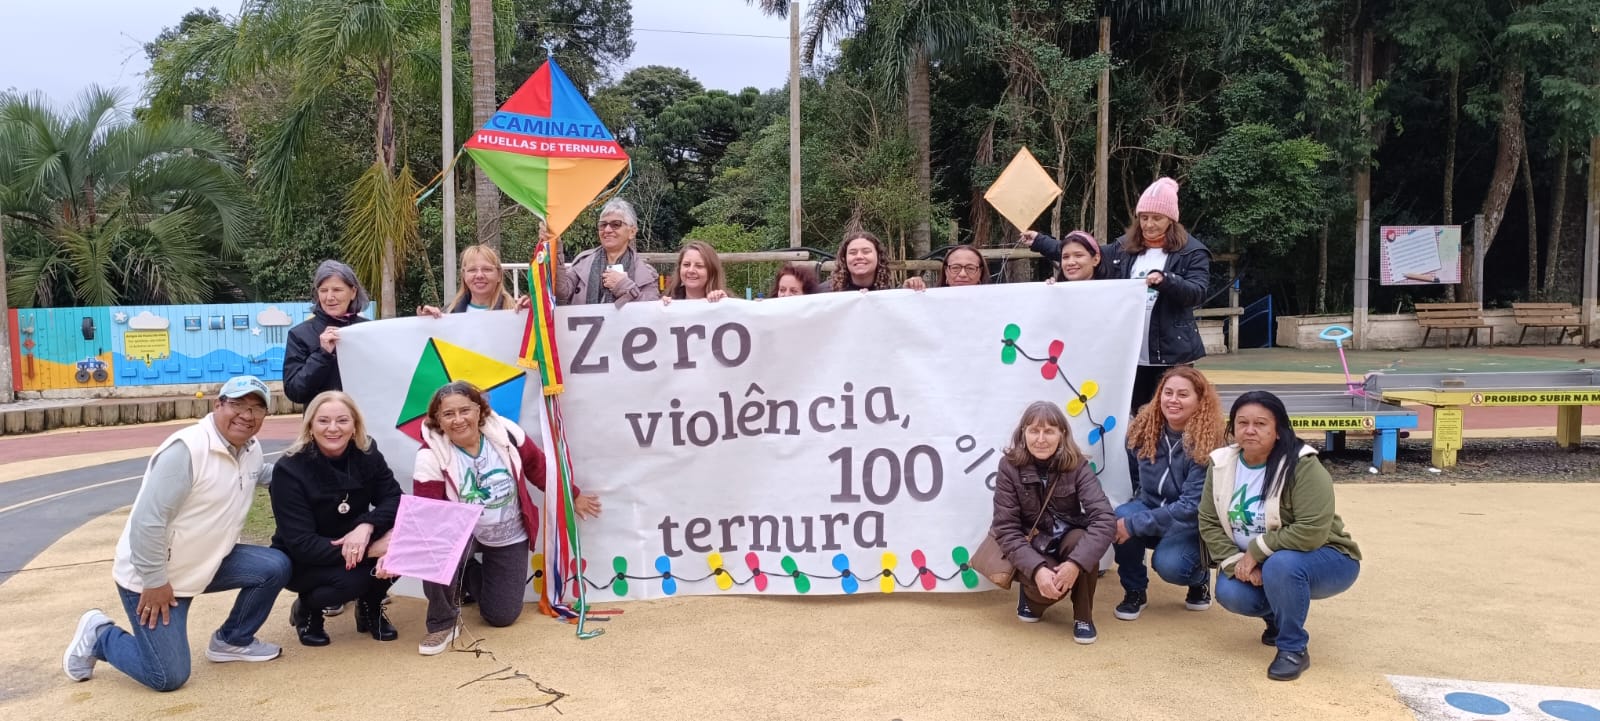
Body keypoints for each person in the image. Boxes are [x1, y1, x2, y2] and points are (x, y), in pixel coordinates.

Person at [63, 376, 291, 692]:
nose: (246, 415)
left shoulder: (249, 448)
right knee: (167, 676)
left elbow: (260, 474)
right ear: (218, 405)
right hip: (156, 577)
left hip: (207, 562)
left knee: (275, 566)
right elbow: (148, 521)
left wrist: (308, 470)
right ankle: (99, 635)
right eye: (237, 404)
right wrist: (154, 581)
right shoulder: (187, 450)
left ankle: (232, 640)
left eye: (256, 408)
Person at [412, 381, 603, 656]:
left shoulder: (506, 433)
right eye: (448, 414)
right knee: (434, 551)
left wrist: (572, 495)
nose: (458, 420)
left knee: (501, 616)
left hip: (508, 531)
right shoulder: (429, 455)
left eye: (465, 410)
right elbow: (428, 513)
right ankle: (442, 623)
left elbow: (539, 468)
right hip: (462, 534)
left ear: (479, 410)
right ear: (438, 420)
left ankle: (466, 576)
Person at [1199, 391, 1362, 681]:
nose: (1250, 430)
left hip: (1328, 557)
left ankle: (1292, 648)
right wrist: (1237, 561)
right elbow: (1209, 521)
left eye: (1261, 423)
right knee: (1230, 592)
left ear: (1278, 430)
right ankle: (1276, 618)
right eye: (1242, 423)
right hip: (1259, 562)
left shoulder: (1302, 464)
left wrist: (1256, 551)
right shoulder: (1221, 464)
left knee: (1281, 565)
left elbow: (1311, 529)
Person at [269, 391, 404, 647]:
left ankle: (370, 606)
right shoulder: (289, 469)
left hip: (356, 540)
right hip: (306, 558)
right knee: (353, 580)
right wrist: (372, 549)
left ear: (355, 425)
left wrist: (367, 525)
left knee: (401, 550)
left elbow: (395, 498)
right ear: (310, 426)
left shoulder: (367, 453)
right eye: (323, 421)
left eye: (342, 420)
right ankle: (308, 609)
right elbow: (302, 543)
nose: (333, 428)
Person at [990, 401, 1115, 644]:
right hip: (1034, 543)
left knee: (1083, 542)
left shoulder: (1077, 465)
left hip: (1067, 539)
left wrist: (1075, 564)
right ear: (1023, 433)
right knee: (1049, 593)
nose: (1040, 439)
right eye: (1034, 431)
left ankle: (1083, 617)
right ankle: (1030, 598)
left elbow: (1104, 519)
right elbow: (1006, 528)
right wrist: (1037, 570)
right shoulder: (1009, 467)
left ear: (1062, 434)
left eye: (1049, 431)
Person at [1112, 366, 1226, 621]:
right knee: (1120, 515)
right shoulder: (1143, 429)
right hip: (1150, 505)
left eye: (1183, 395)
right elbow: (1132, 475)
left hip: (1189, 524)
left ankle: (1198, 577)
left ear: (1199, 400)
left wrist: (1134, 524)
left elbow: (1191, 507)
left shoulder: (1208, 442)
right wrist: (1133, 516)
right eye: (1168, 392)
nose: (1173, 400)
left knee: (1169, 565)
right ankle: (1134, 590)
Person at [1102, 178, 1211, 415]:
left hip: (1173, 354)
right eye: (1143, 217)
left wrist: (1167, 280)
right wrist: (1041, 242)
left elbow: (1198, 292)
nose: (1148, 224)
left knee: (1171, 414)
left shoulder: (1192, 251)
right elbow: (1085, 255)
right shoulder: (1123, 247)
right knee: (1136, 414)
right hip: (1131, 353)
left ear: (1171, 220)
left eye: (1156, 218)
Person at [283, 259, 370, 405]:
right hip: (321, 418)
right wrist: (322, 355)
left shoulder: (368, 331)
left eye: (337, 290)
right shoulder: (299, 335)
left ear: (353, 292)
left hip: (362, 417)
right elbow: (294, 392)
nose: (329, 297)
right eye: (323, 290)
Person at [557, 198, 661, 307]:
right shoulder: (582, 263)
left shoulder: (646, 273)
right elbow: (561, 294)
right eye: (603, 225)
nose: (607, 230)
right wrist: (555, 249)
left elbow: (650, 310)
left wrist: (623, 286)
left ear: (632, 232)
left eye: (615, 224)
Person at [417, 244, 523, 316]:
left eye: (487, 269)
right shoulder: (447, 314)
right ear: (464, 275)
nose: (479, 275)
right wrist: (427, 325)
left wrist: (531, 314)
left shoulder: (518, 312)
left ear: (499, 275)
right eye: (472, 270)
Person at [662, 240, 729, 304]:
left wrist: (725, 304)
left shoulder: (725, 301)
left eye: (699, 266)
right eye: (686, 264)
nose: (691, 270)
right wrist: (663, 307)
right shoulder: (670, 300)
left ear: (711, 271)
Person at [1021, 230, 1102, 282]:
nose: (1070, 262)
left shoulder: (1108, 289)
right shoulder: (1056, 289)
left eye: (1078, 255)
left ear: (1096, 259)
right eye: (1065, 257)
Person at [829, 230, 893, 292]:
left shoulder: (891, 294)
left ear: (879, 256)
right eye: (853, 253)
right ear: (844, 258)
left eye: (866, 252)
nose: (859, 256)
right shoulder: (826, 293)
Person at [905, 244, 987, 290]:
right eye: (955, 268)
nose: (962, 274)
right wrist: (908, 291)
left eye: (970, 268)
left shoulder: (993, 303)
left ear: (980, 272)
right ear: (946, 271)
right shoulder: (931, 302)